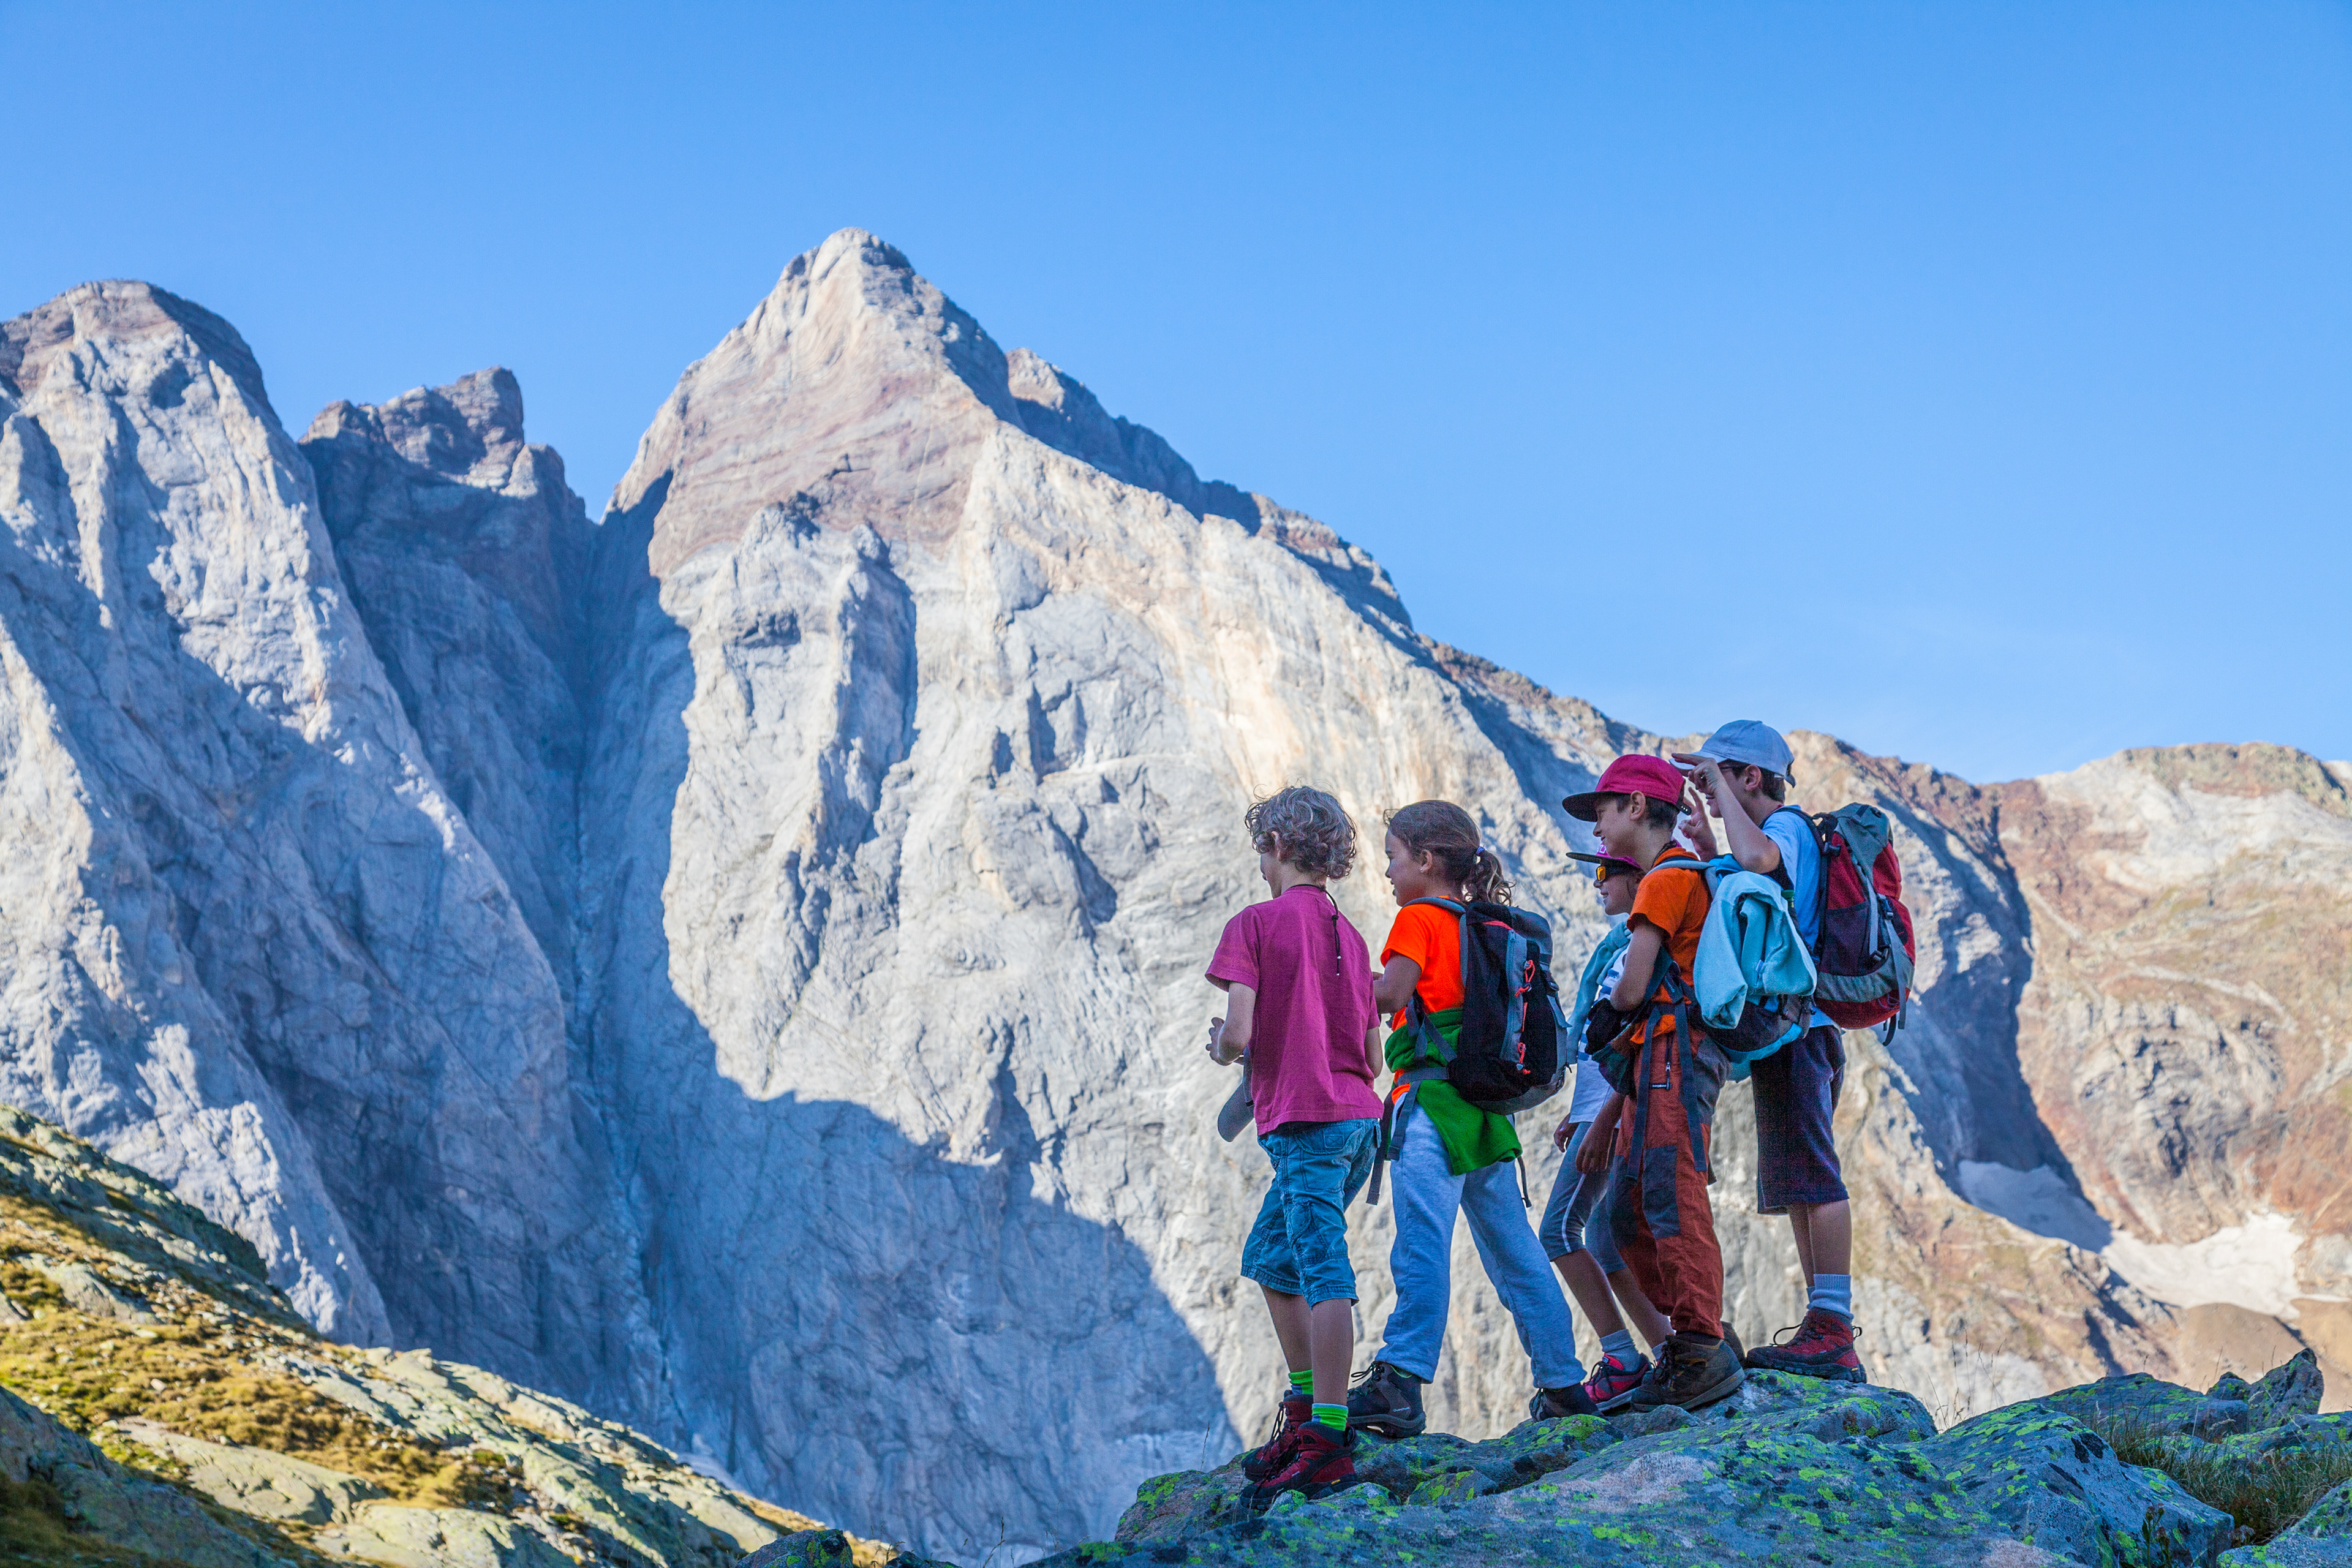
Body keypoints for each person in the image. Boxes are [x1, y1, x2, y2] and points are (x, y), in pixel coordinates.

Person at [1346, 801, 1594, 1437]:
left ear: (1426, 861)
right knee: (1516, 1252)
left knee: (1422, 1243)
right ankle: (1564, 1381)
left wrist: (1331, 980)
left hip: (1430, 1111)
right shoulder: (1475, 923)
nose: (1389, 873)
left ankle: (1401, 1377)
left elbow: (1392, 996)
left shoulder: (1420, 917)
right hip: (1483, 1116)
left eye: (1394, 859)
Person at [1205, 786, 1385, 1504]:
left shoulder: (1255, 924)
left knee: (1318, 1266)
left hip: (1305, 1123)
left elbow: (1239, 1034)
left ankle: (1327, 1438)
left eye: (1259, 847)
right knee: (1272, 1258)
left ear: (1277, 843)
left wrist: (1221, 1048)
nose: (1257, 861)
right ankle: (1310, 1409)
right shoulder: (1352, 934)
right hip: (1358, 1122)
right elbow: (1372, 1058)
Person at [1674, 721, 1865, 1384]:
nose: (1713, 789)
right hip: (1794, 1033)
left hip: (1803, 1028)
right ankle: (1824, 1324)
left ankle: (1835, 1326)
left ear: (1748, 776)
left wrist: (1720, 807)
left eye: (1721, 776)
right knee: (1795, 1182)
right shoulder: (1770, 836)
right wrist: (1707, 837)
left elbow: (1757, 864)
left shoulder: (1785, 829)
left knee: (1815, 1171)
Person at [1562, 755, 1743, 1409]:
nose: (1599, 830)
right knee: (1627, 1207)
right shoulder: (1670, 875)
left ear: (1638, 806)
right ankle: (1703, 1338)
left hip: (1674, 1054)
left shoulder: (1666, 879)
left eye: (1604, 811)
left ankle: (1699, 1344)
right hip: (1657, 1060)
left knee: (1669, 1195)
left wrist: (1602, 1021)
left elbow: (1634, 985)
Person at [1540, 848, 1672, 1410]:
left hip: (1616, 1116)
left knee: (1561, 1232)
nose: (1597, 884)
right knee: (1600, 1238)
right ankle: (1661, 1353)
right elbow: (1599, 1044)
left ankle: (1627, 1358)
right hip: (1599, 1113)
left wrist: (1602, 1120)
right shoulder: (1618, 947)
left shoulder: (1642, 948)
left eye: (1605, 873)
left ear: (1637, 878)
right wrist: (1579, 1109)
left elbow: (1634, 1043)